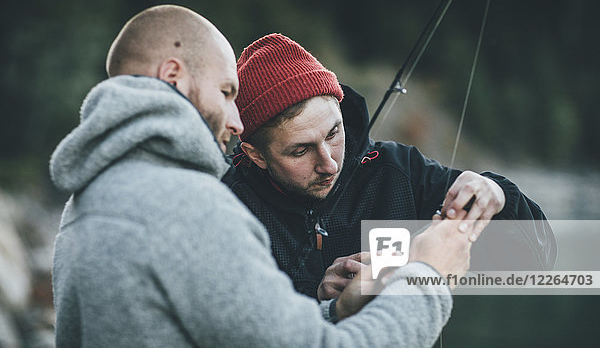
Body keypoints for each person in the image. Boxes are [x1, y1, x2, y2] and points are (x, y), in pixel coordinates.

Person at [50, 4, 473, 347]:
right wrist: (426, 278)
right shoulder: (191, 207)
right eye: (225, 93)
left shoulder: (89, 201)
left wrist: (338, 311)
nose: (236, 121)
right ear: (173, 76)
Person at [224, 33, 557, 300]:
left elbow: (536, 261)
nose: (328, 163)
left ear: (340, 109)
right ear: (255, 155)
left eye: (334, 133)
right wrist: (313, 295)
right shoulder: (226, 206)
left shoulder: (400, 173)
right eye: (300, 151)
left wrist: (498, 196)